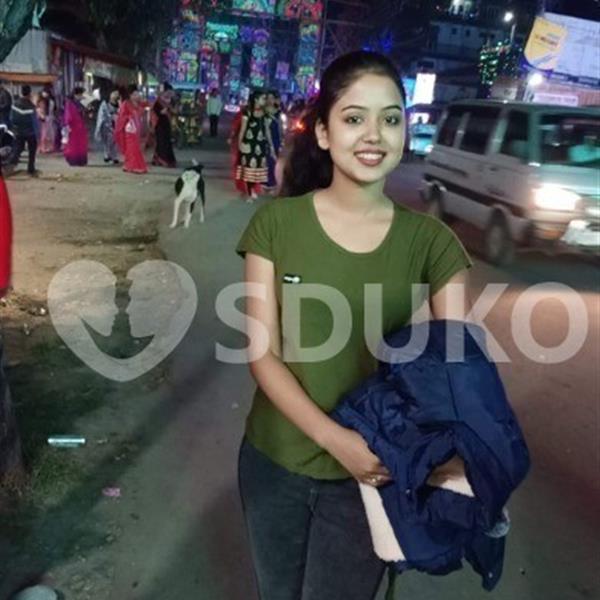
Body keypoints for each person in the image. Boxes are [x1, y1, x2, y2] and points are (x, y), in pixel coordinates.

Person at [235, 51, 473, 600]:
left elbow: (455, 369)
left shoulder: (433, 243)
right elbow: (263, 354)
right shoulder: (276, 224)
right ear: (322, 132)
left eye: (390, 119)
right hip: (274, 460)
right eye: (353, 118)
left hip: (372, 474)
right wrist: (333, 439)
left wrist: (447, 456)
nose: (374, 134)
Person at [236, 90, 275, 202]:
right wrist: (240, 144)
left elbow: (267, 131)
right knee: (249, 169)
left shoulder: (265, 114)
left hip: (260, 146)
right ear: (256, 99)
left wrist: (271, 146)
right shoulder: (247, 113)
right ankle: (249, 193)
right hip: (249, 145)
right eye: (263, 98)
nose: (265, 101)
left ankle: (252, 189)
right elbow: (242, 130)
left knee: (257, 170)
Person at [115, 84, 148, 174]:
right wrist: (130, 116)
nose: (137, 96)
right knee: (132, 147)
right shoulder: (126, 103)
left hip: (137, 128)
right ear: (130, 95)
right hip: (129, 129)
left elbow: (146, 108)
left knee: (134, 147)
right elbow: (121, 117)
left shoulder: (139, 103)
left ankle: (129, 165)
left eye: (137, 94)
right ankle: (134, 166)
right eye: (134, 94)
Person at [9, 85, 39, 176]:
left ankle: (9, 166)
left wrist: (14, 128)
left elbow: (11, 118)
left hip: (18, 131)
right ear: (30, 93)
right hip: (30, 132)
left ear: (21, 92)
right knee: (32, 151)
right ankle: (31, 169)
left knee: (17, 149)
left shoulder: (15, 104)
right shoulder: (31, 106)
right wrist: (37, 133)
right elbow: (34, 121)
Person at [151, 83, 176, 167]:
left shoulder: (170, 101)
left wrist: (171, 110)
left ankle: (165, 159)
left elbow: (173, 111)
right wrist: (162, 112)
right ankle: (162, 159)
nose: (169, 94)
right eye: (168, 92)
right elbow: (155, 111)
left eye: (170, 92)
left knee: (167, 141)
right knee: (161, 142)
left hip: (167, 124)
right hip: (159, 124)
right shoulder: (158, 101)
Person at [63, 86, 89, 166]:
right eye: (80, 95)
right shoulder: (69, 103)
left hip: (80, 126)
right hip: (73, 126)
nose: (81, 96)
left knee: (81, 144)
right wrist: (67, 125)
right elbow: (68, 115)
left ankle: (81, 160)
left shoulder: (80, 103)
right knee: (73, 144)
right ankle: (74, 160)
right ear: (75, 95)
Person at [265, 90, 284, 192]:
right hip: (268, 140)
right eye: (268, 98)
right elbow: (267, 129)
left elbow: (280, 126)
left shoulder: (278, 111)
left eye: (272, 98)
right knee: (270, 160)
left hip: (276, 139)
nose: (270, 100)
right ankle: (269, 183)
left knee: (275, 160)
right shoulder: (265, 112)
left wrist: (282, 138)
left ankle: (271, 182)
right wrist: (271, 144)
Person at [95, 89, 120, 164]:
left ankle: (114, 156)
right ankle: (107, 155)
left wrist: (117, 115)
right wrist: (110, 116)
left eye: (117, 94)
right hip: (106, 125)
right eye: (114, 93)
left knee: (115, 142)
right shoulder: (105, 104)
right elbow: (101, 114)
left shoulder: (119, 104)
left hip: (116, 125)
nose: (115, 95)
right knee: (107, 141)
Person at [36, 85, 58, 154]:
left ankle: (48, 148)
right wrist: (41, 116)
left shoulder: (51, 101)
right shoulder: (41, 101)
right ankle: (42, 148)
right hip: (43, 119)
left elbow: (53, 110)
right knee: (43, 134)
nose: (45, 94)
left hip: (49, 119)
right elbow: (38, 110)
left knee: (50, 134)